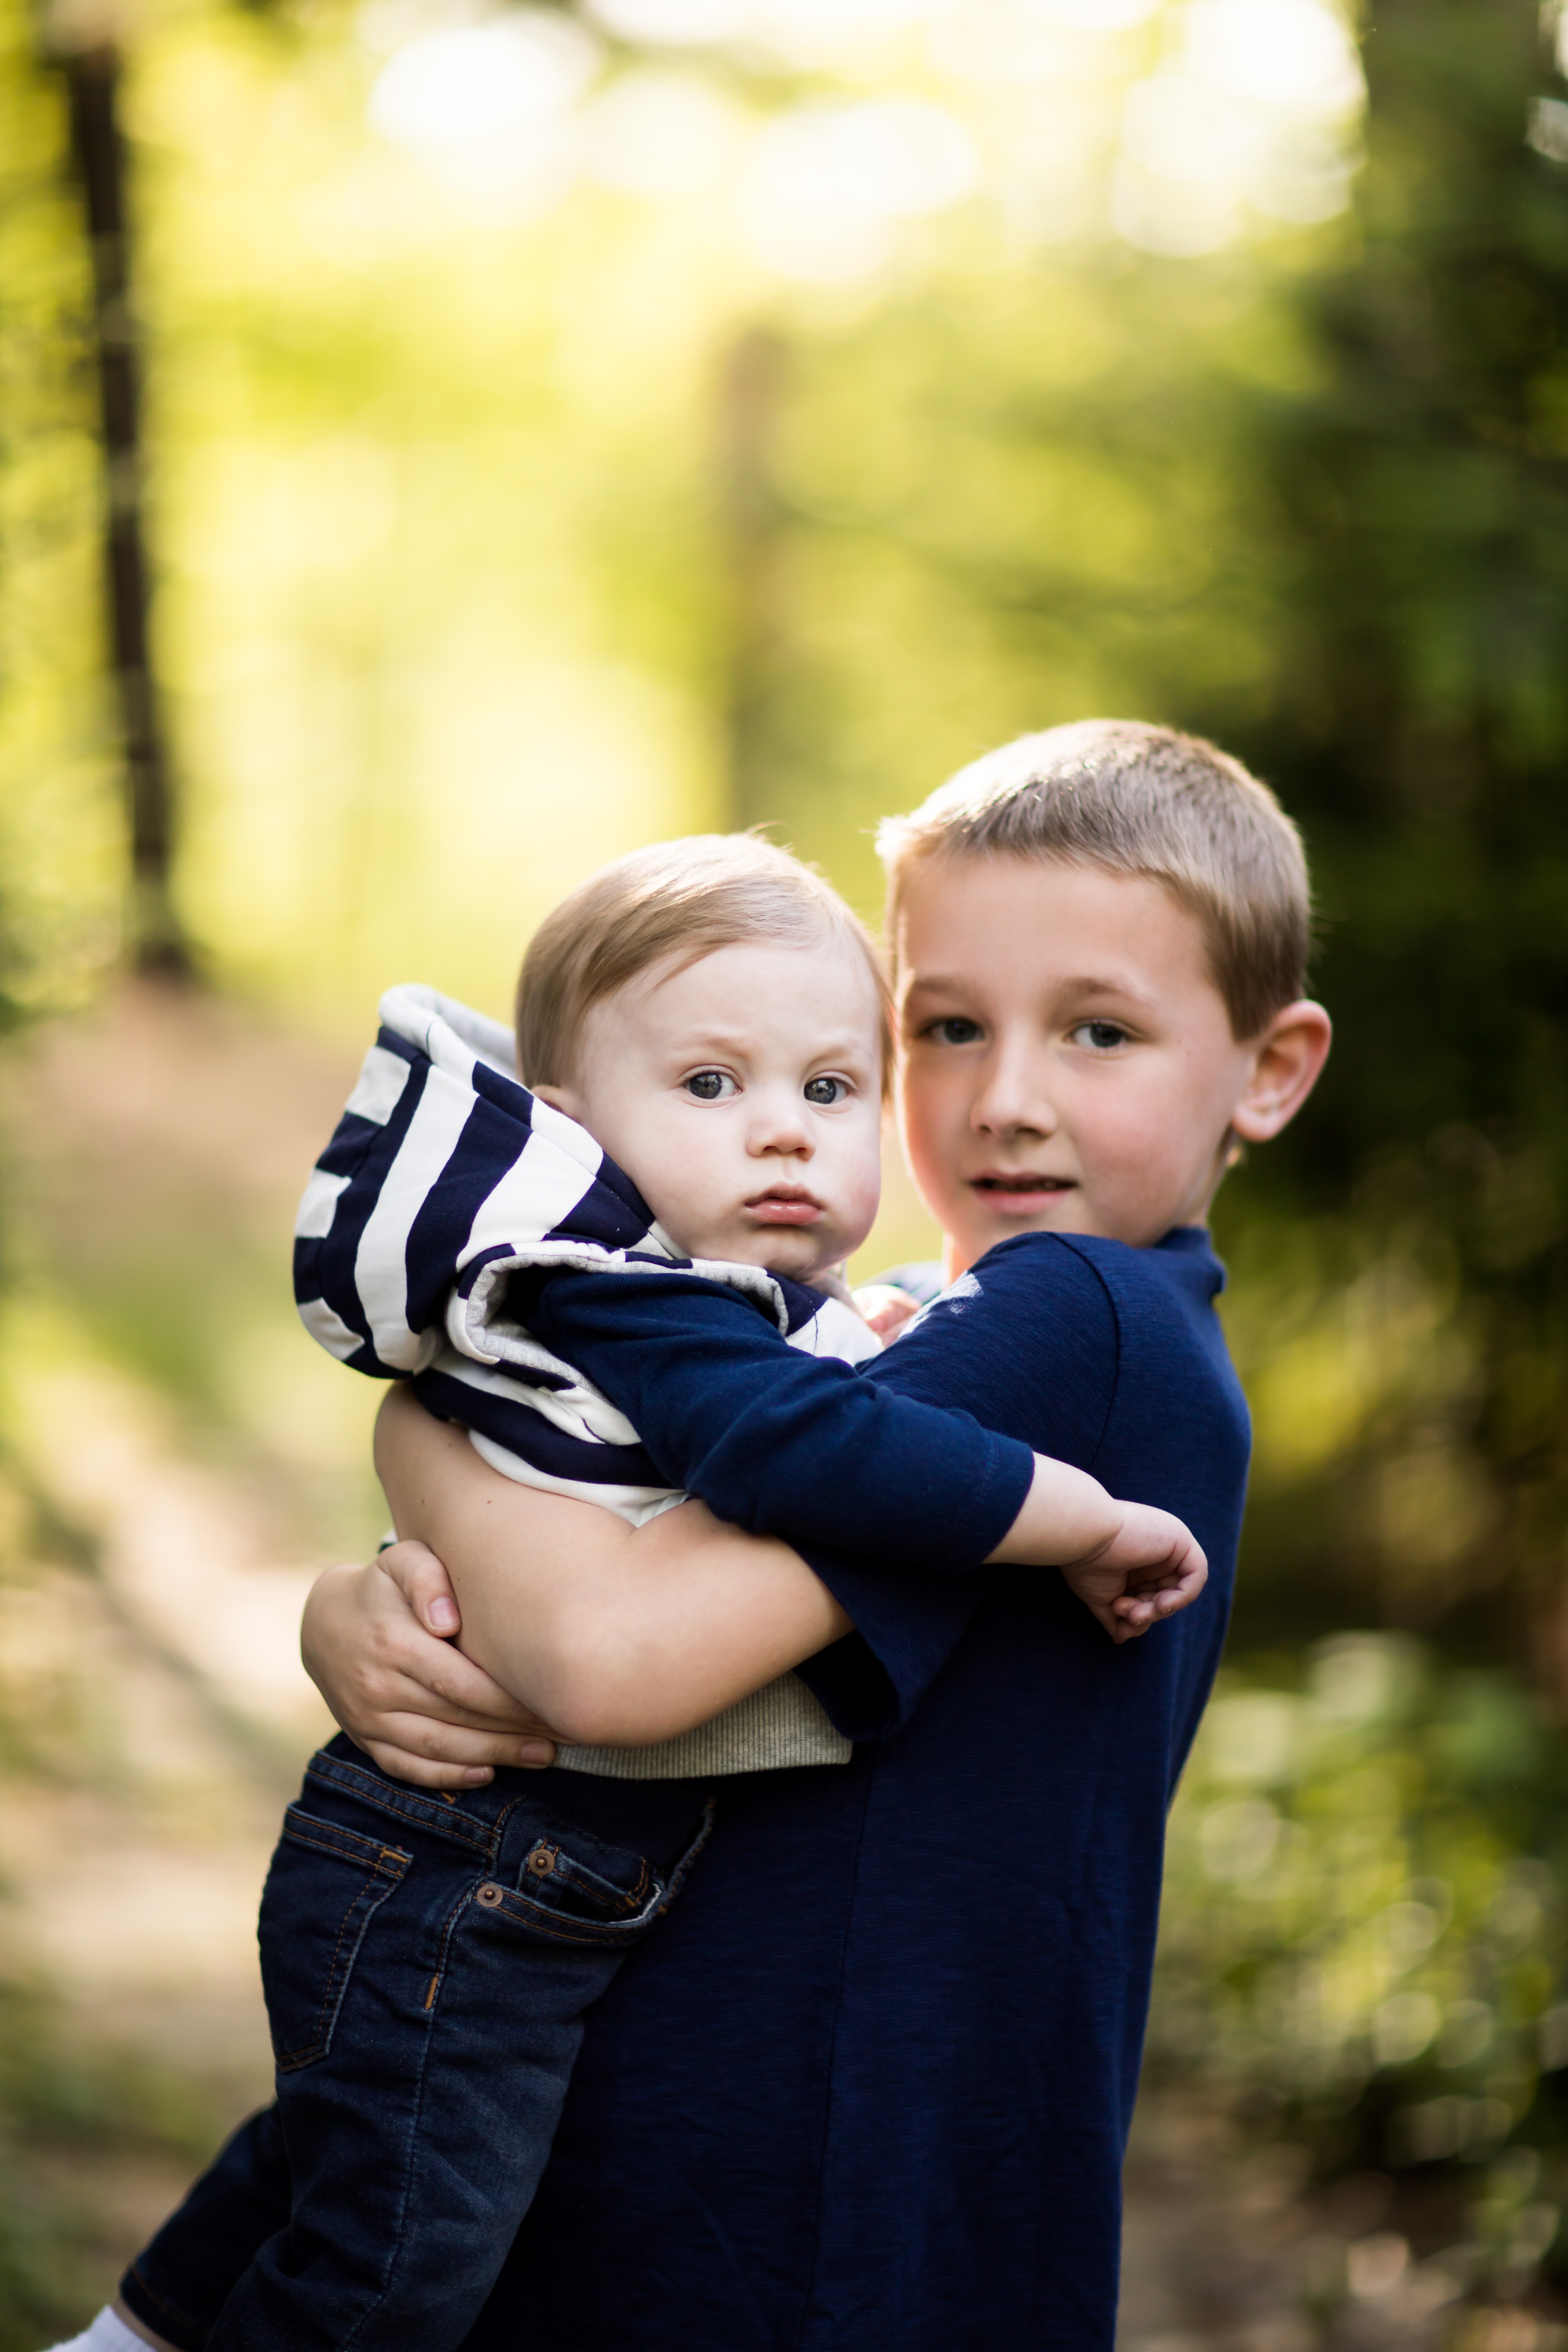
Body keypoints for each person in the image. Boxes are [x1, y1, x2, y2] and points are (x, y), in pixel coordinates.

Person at [96, 718, 1331, 2352]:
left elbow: (606, 1657)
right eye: (945, 1029)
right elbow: (596, 1514)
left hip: (787, 2227)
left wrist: (413, 1445)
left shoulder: (1078, 1316)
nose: (1005, 1100)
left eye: (1098, 1032)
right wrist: (361, 1608)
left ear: (1267, 1067)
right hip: (782, 2203)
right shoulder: (898, 1330)